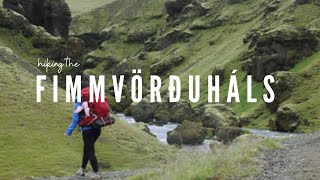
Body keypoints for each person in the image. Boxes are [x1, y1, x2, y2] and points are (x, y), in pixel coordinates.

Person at [64, 95, 102, 180]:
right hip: (97, 128)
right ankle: (82, 169)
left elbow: (75, 120)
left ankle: (96, 173)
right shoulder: (93, 99)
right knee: (87, 148)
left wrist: (68, 132)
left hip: (87, 130)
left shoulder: (79, 102)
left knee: (90, 150)